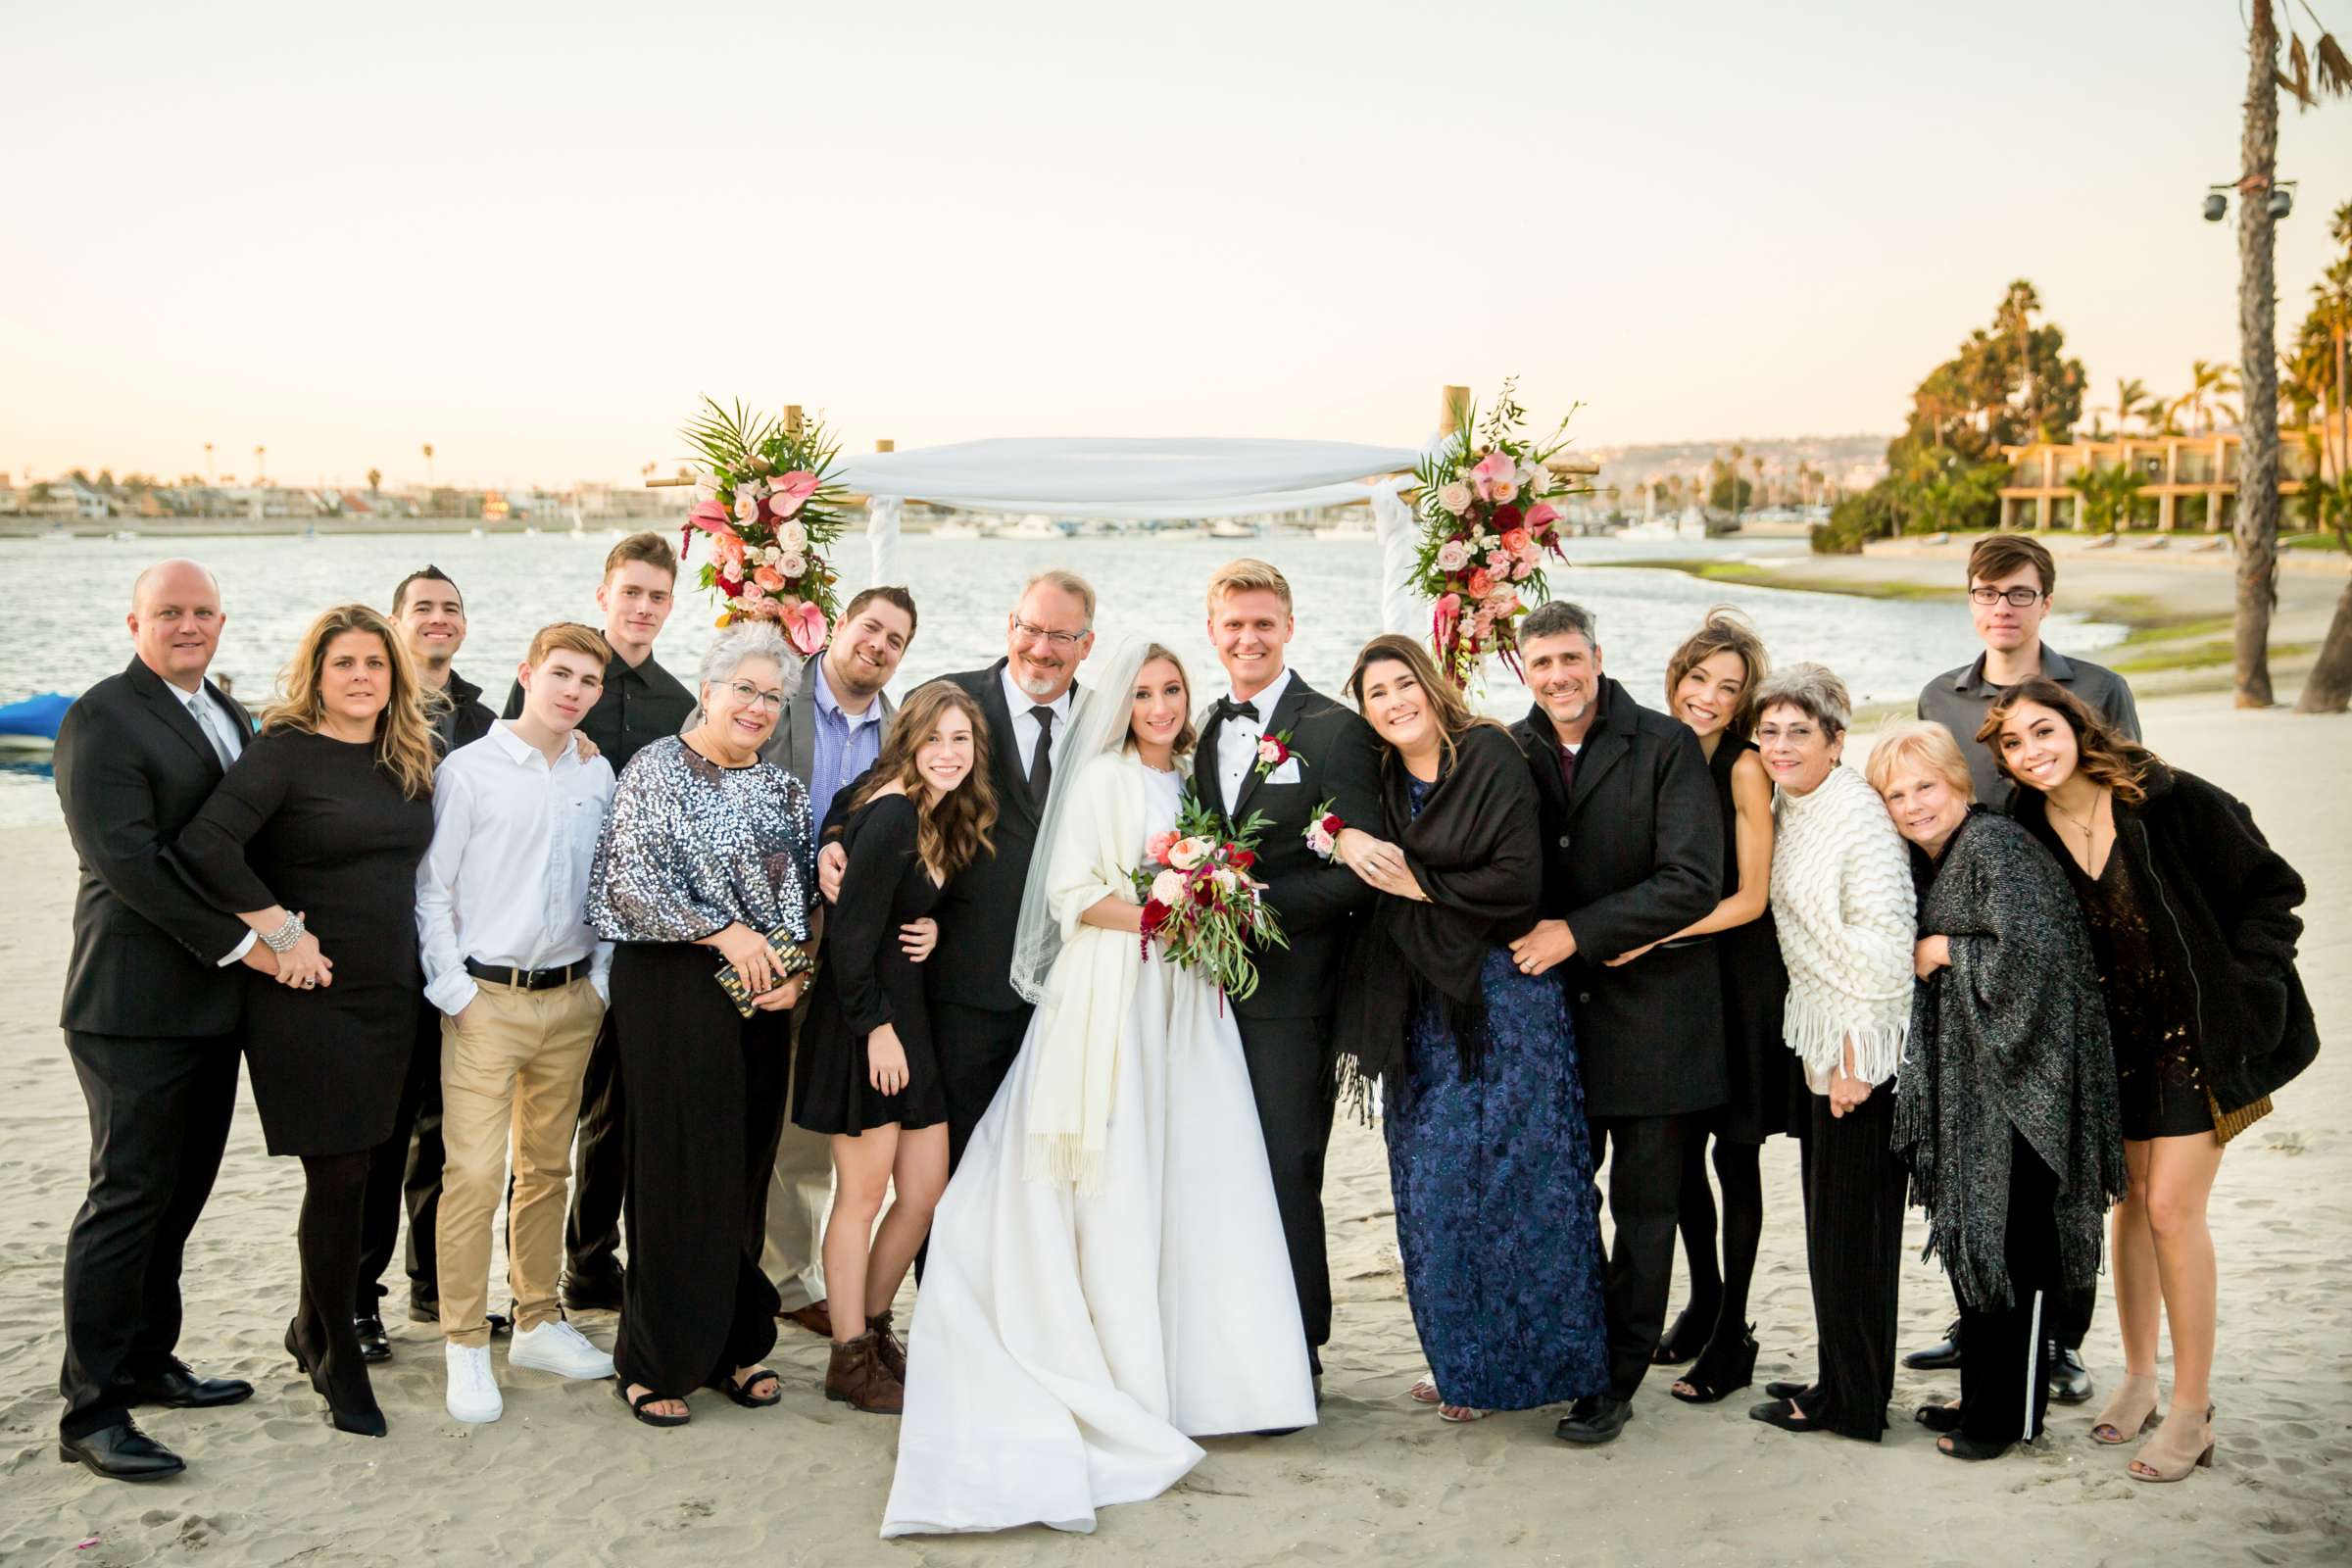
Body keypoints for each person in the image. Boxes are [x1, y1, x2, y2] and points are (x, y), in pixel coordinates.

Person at [882, 640, 1313, 1537]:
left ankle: (1207, 1371)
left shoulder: (1191, 777)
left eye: (1172, 690)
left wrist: (1210, 903)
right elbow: (1071, 896)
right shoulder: (1108, 778)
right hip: (1115, 989)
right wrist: (1175, 909)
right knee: (1113, 1171)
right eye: (1145, 692)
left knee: (1191, 1172)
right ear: (1120, 704)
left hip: (1184, 995)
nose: (1159, 706)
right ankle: (1113, 1359)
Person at [1984, 679, 2318, 1481]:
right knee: (2128, 1207)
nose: (2033, 753)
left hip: (2193, 1039)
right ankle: (2138, 1377)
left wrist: (2248, 983)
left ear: (2076, 725)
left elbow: (2274, 890)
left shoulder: (2164, 796)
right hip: (2108, 1049)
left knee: (2172, 1209)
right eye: (2014, 745)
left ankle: (2192, 1409)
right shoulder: (2023, 828)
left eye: (2043, 731)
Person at [172, 604, 440, 1439]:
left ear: (394, 674)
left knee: (373, 1175)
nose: (361, 676)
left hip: (396, 995)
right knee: (339, 1181)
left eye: (375, 663)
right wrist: (280, 931)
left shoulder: (408, 755)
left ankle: (311, 1327)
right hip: (310, 998)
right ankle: (338, 1360)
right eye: (343, 664)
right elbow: (205, 847)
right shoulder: (283, 751)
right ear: (316, 674)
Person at [1331, 634, 1608, 1425]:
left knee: (1529, 1185)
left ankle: (1560, 1367)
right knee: (1434, 1189)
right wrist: (1343, 835)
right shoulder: (1379, 777)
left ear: (1431, 683)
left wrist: (1417, 884)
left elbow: (1517, 882)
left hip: (1505, 1001)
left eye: (1403, 683)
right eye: (1376, 694)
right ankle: (1467, 1366)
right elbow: (1329, 826)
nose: (1394, 702)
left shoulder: (1487, 754)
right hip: (1420, 1005)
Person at [52, 560, 270, 1482]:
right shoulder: (102, 716)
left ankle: (149, 1362)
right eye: (169, 612)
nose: (189, 626)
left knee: (178, 1199)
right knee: (127, 1201)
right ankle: (92, 1409)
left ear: (222, 622)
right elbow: (129, 862)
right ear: (132, 620)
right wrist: (246, 942)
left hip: (210, 1006)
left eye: (203, 612)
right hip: (132, 1003)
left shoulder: (225, 710)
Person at [1911, 531, 2136, 1396]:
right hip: (1975, 950)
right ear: (1970, 601)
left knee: (2059, 1155)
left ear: (2046, 600)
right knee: (1980, 1148)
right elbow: (1925, 808)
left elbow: (2130, 794)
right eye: (1986, 592)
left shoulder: (2099, 689)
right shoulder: (1942, 695)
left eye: (2019, 592)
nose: (2001, 607)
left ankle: (2063, 1340)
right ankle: (1986, 1322)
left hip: (2071, 947)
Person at [1495, 601, 1722, 1446]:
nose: (1557, 676)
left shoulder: (1662, 745)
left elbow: (1692, 880)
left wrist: (1578, 933)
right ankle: (1564, 1350)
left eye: (1570, 659)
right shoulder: (1509, 748)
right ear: (1523, 670)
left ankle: (1614, 1380)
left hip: (1658, 1019)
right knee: (1556, 1201)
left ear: (1598, 656)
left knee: (1644, 1207)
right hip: (1550, 1027)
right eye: (1541, 663)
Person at [1868, 720, 2126, 1459]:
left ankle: (2006, 1420)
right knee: (1986, 1246)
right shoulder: (1951, 856)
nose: (1914, 804)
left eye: (1926, 786)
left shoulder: (1994, 847)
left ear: (1960, 784)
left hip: (2028, 1088)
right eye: (1896, 793)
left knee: (2019, 1254)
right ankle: (1982, 1398)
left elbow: (2038, 959)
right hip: (1984, 1086)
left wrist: (1948, 949)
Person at [586, 620, 818, 1428]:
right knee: (679, 1171)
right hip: (671, 985)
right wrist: (720, 932)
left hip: (758, 1000)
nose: (757, 706)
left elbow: (799, 908)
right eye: (744, 689)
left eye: (773, 696)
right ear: (709, 690)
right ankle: (651, 1361)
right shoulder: (656, 770)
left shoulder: (786, 791)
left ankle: (734, 1345)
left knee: (747, 1168)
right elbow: (625, 886)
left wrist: (797, 976)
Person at [821, 571, 1096, 1184]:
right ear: (1009, 626)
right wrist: (833, 841)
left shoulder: (1105, 723)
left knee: (1048, 1170)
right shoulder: (951, 701)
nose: (1041, 647)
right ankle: (944, 1284)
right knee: (950, 1170)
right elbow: (867, 792)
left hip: (1071, 987)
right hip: (959, 986)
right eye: (1030, 629)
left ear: (1088, 643)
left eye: (1061, 634)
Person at [416, 622, 620, 1424]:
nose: (573, 692)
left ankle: (536, 1319)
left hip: (571, 999)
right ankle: (465, 1342)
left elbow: (607, 883)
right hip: (485, 1001)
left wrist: (599, 981)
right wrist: (455, 989)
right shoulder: (468, 773)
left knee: (546, 1169)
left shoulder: (596, 777)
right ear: (528, 674)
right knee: (469, 1176)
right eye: (560, 675)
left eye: (588, 683)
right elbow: (433, 888)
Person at [1193, 559, 1383, 1384]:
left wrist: (1253, 907)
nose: (1248, 638)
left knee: (1289, 1162)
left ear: (1290, 627)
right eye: (1233, 625)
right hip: (1200, 993)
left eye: (1263, 623)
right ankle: (1229, 1330)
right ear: (1213, 633)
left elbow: (1358, 868)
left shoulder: (1337, 730)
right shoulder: (1198, 727)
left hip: (1295, 993)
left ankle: (1299, 1345)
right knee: (1217, 1163)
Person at [504, 532, 697, 1315]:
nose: (643, 608)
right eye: (631, 593)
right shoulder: (559, 677)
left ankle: (591, 1262)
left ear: (670, 606)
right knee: (536, 1120)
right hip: (537, 929)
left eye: (657, 596)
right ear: (604, 594)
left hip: (628, 940)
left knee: (614, 1111)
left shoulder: (681, 704)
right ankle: (519, 1282)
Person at [791, 681, 994, 1412]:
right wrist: (873, 1028)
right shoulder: (894, 814)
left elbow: (890, 898)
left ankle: (873, 1330)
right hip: (865, 1025)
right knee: (865, 1197)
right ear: (909, 742)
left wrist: (934, 930)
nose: (948, 753)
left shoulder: (936, 814)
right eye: (934, 739)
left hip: (909, 1025)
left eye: (960, 740)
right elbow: (848, 936)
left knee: (925, 1194)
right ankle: (849, 1355)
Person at [1743, 663, 1914, 1444]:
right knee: (1831, 1229)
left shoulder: (1857, 816)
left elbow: (1887, 947)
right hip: (1819, 1037)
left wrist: (1856, 1062)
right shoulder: (1791, 800)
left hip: (1859, 1049)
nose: (1781, 745)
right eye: (1770, 730)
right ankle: (1841, 1380)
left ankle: (1855, 1404)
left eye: (1799, 732)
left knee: (1854, 1235)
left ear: (1836, 741)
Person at [753, 586, 918, 1342]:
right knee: (737, 1104)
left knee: (812, 1116)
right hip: (750, 937)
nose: (878, 646)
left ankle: (787, 1279)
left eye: (896, 641)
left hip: (841, 946)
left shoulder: (899, 733)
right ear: (839, 626)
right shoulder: (772, 691)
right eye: (870, 628)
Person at [1636, 610, 1791, 1406]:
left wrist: (1652, 935)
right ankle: (1701, 1300)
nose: (1708, 696)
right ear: (1675, 678)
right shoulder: (1652, 752)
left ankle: (1733, 1334)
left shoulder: (1743, 767)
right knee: (1679, 1148)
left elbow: (1753, 898)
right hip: (1673, 980)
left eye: (1728, 688)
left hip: (1735, 974)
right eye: (1699, 679)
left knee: (1734, 1155)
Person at [355, 564, 502, 1361]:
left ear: (464, 625)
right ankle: (356, 1301)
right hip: (382, 954)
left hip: (460, 958)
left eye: (451, 607)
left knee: (449, 1136)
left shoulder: (484, 718)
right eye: (423, 609)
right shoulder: (367, 709)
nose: (438, 619)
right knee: (379, 1136)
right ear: (394, 621)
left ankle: (435, 1285)